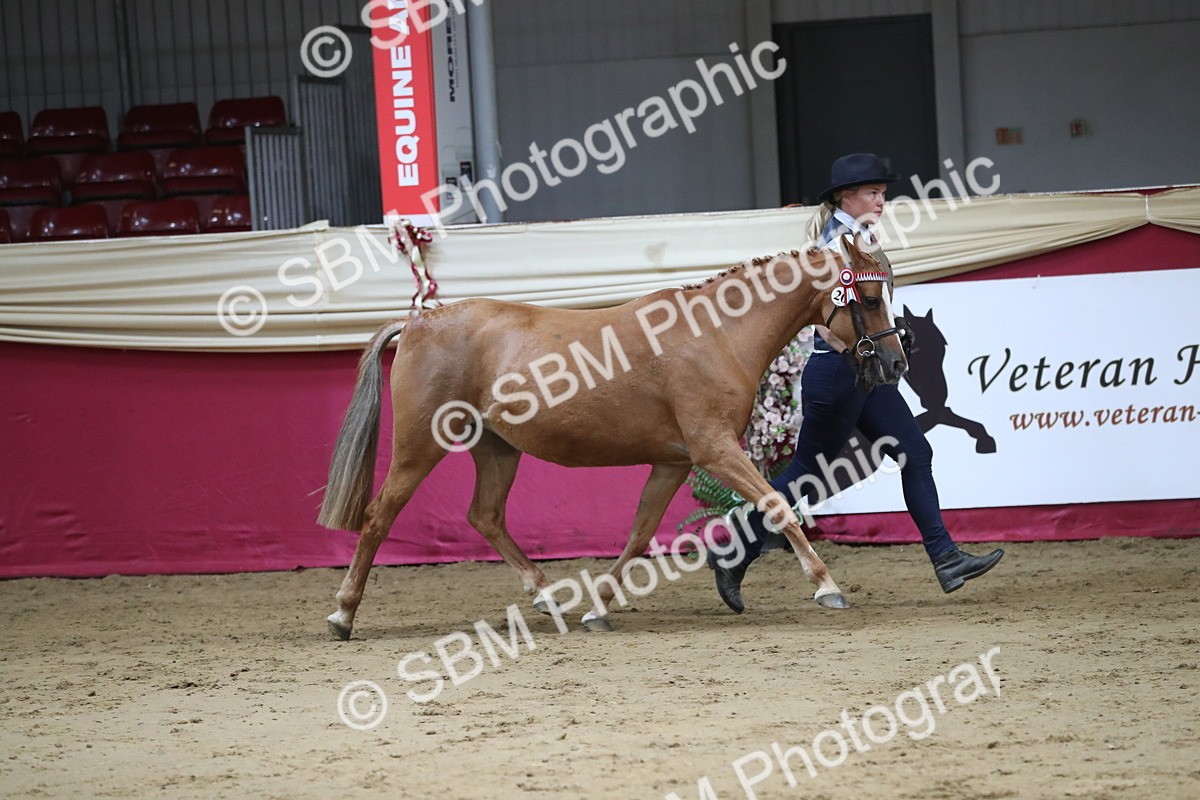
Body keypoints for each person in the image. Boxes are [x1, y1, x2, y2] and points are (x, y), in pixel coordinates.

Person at [708, 153, 1003, 613]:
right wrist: (868, 355)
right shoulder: (834, 248)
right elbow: (828, 326)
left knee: (915, 453)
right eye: (872, 193)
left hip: (865, 372)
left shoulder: (857, 240)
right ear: (846, 196)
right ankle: (735, 553)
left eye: (883, 194)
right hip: (839, 372)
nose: (881, 201)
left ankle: (946, 558)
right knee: (806, 474)